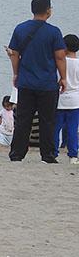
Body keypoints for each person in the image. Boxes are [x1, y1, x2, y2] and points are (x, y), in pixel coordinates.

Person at [7, 0, 67, 164]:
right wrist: (63, 78)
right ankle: (47, 155)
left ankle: (17, 153)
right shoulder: (54, 32)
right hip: (47, 83)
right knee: (47, 120)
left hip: (26, 82)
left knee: (23, 119)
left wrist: (16, 74)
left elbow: (14, 54)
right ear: (48, 10)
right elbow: (60, 57)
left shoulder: (20, 29)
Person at [54, 33, 78, 165]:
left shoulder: (60, 61)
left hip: (60, 100)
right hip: (75, 101)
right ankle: (73, 155)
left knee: (55, 128)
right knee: (72, 129)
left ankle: (54, 153)